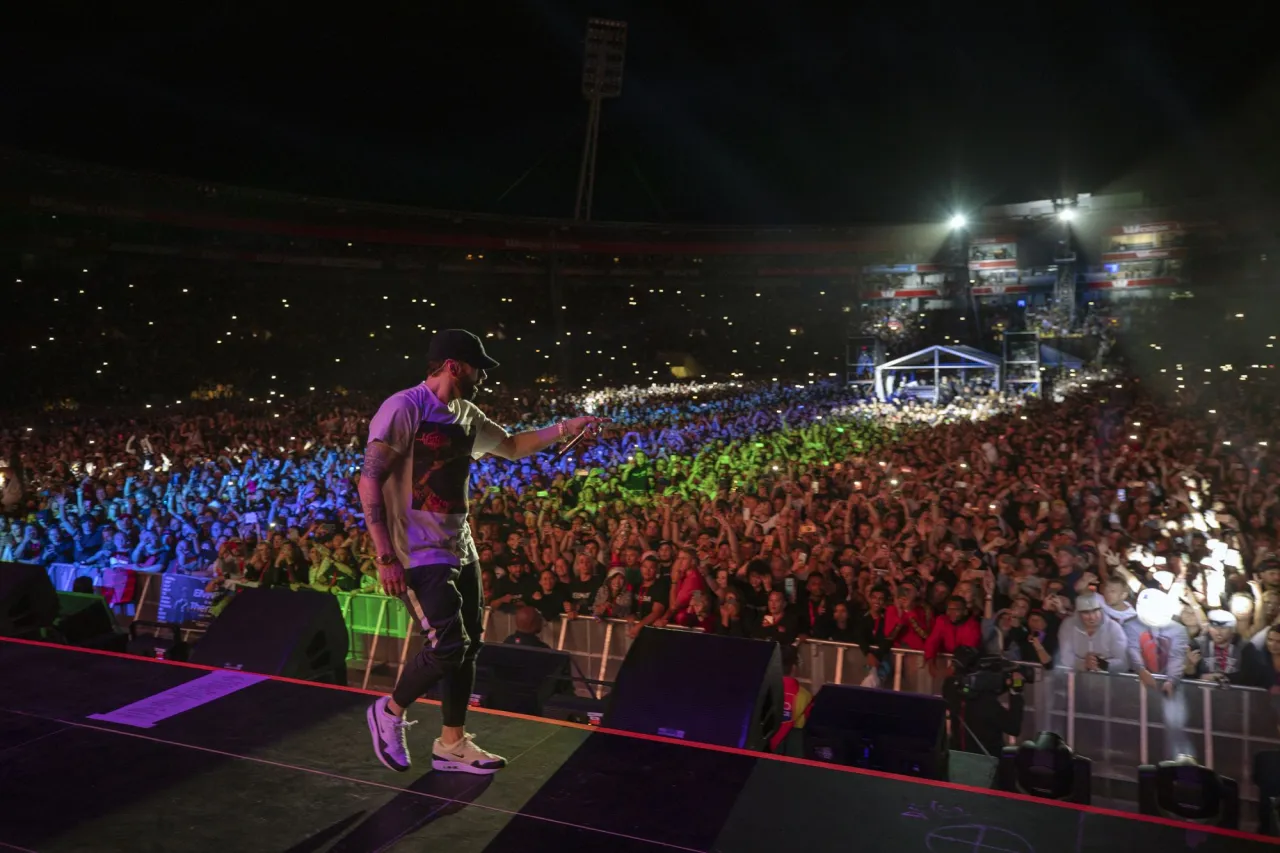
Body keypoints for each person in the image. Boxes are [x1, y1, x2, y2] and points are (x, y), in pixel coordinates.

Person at [360, 328, 605, 774]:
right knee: (447, 645)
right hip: (416, 551)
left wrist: (567, 428)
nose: (483, 377)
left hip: (461, 547)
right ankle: (389, 711)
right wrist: (384, 556)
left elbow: (512, 447)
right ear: (454, 365)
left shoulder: (467, 414)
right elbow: (370, 478)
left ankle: (451, 743)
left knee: (469, 646)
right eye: (477, 367)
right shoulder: (405, 407)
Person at [1055, 592, 1129, 673]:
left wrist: (1102, 664)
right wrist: (1083, 664)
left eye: (1095, 611)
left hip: (1108, 680)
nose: (1092, 617)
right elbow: (1065, 657)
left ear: (1101, 610)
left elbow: (1123, 662)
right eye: (1086, 612)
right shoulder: (1068, 626)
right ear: (1078, 613)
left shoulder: (1114, 628)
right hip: (1077, 678)